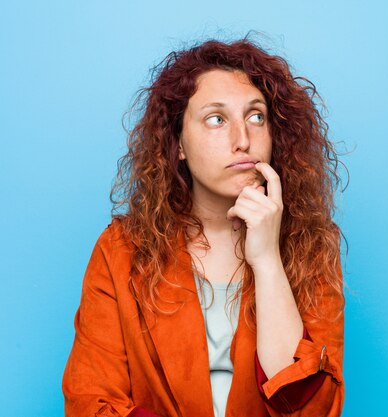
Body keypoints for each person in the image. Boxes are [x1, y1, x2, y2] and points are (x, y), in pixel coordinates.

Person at [62, 36, 346, 417]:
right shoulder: (121, 248)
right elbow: (89, 402)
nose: (242, 140)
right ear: (177, 142)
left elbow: (309, 408)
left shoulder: (312, 243)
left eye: (256, 116)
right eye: (216, 119)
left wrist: (266, 260)